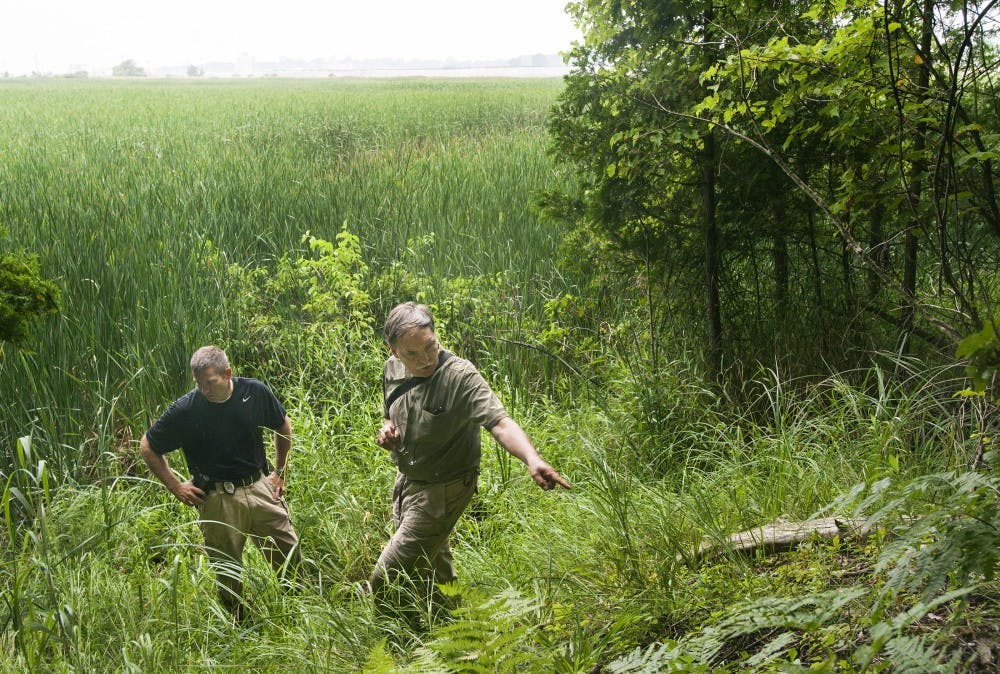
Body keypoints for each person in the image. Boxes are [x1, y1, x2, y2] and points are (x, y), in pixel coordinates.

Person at [371, 302, 570, 612]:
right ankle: (452, 621)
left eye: (430, 346)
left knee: (386, 575)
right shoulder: (391, 369)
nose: (425, 359)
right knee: (435, 561)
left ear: (435, 335)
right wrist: (388, 432)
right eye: (412, 354)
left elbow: (500, 424)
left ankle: (391, 640)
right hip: (408, 481)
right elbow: (389, 414)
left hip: (445, 487)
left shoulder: (460, 376)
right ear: (394, 351)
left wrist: (532, 459)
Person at [138, 345, 299, 620]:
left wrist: (279, 471)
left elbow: (282, 427)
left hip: (259, 486)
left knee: (288, 552)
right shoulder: (186, 409)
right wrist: (175, 486)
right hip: (217, 498)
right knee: (227, 569)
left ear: (227, 374)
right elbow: (147, 447)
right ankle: (242, 623)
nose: (205, 389)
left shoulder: (254, 392)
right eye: (199, 384)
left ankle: (296, 610)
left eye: (210, 382)